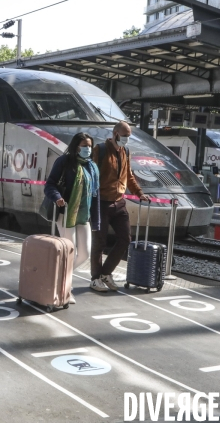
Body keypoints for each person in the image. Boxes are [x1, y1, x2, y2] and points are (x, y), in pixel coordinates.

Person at [90, 121, 148, 293]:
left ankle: (105, 273)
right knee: (99, 242)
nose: (126, 139)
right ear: (115, 133)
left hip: (119, 201)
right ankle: (95, 278)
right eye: (124, 136)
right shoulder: (100, 150)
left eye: (128, 136)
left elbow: (128, 175)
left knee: (125, 239)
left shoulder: (126, 151)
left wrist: (139, 193)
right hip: (101, 201)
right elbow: (91, 174)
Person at [45, 133, 100, 303]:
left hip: (84, 216)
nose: (88, 149)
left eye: (89, 145)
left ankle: (59, 279)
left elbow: (96, 194)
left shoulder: (92, 166)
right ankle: (65, 289)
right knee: (70, 252)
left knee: (84, 253)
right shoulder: (64, 162)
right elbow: (50, 184)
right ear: (76, 146)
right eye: (84, 145)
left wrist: (96, 219)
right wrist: (57, 197)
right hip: (66, 213)